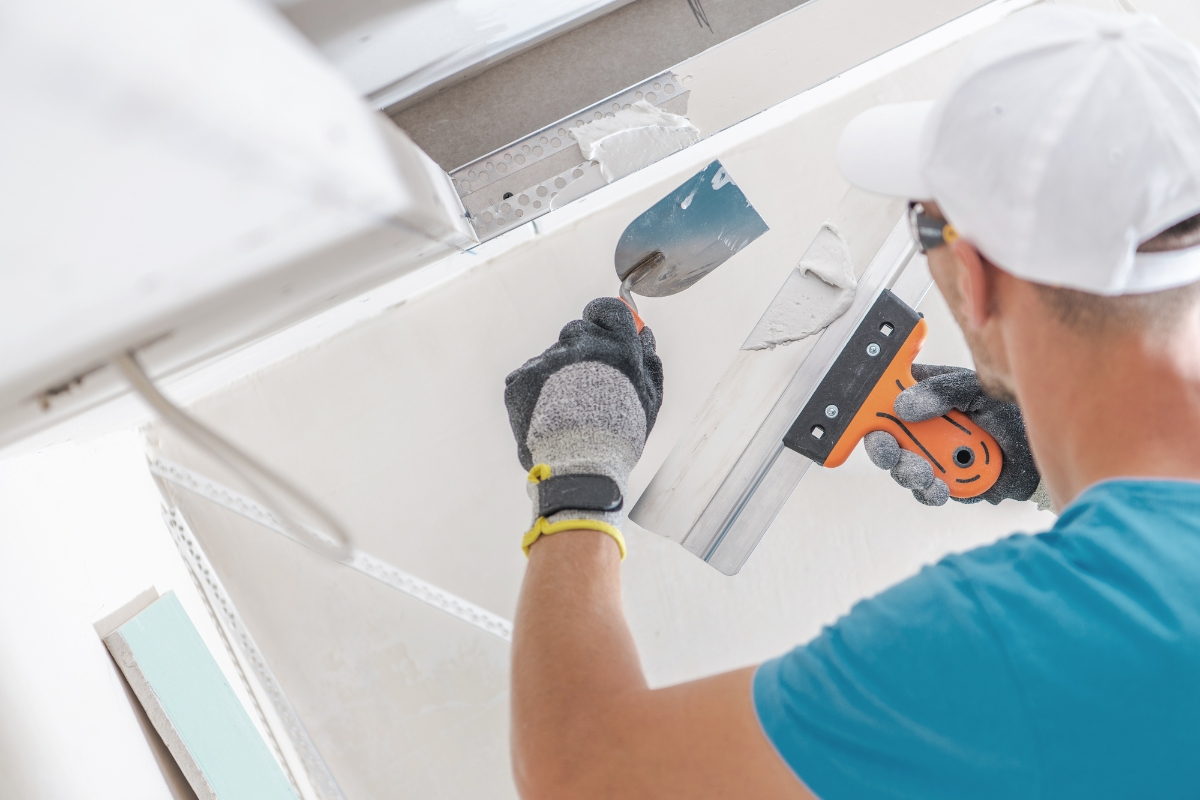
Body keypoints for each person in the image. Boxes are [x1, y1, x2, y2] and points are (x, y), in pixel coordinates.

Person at [502, 7, 1200, 798]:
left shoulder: (1024, 639)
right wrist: (1044, 469)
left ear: (973, 278)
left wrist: (579, 481)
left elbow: (588, 774)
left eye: (924, 223)